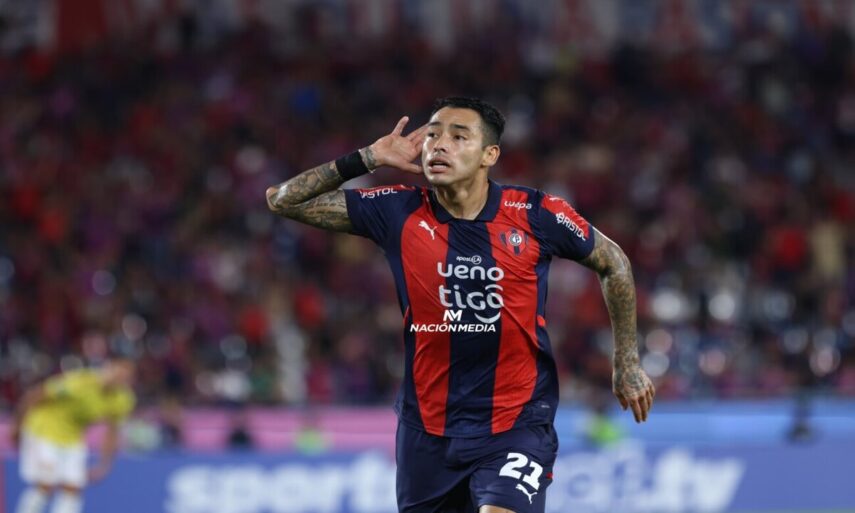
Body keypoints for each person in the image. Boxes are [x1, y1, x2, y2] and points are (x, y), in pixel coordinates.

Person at [265, 96, 655, 513]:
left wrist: (627, 361)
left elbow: (613, 262)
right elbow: (282, 200)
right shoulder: (397, 210)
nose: (439, 145)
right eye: (432, 135)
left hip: (516, 424)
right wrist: (368, 158)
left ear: (490, 155)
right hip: (426, 432)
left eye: (458, 136)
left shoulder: (535, 213)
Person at [11, 357, 137, 513]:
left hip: (72, 438)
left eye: (125, 377)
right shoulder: (81, 382)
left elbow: (113, 432)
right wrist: (17, 426)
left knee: (74, 487)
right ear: (107, 368)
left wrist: (104, 464)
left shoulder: (123, 399)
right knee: (46, 484)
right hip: (43, 430)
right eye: (117, 372)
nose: (118, 378)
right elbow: (37, 394)